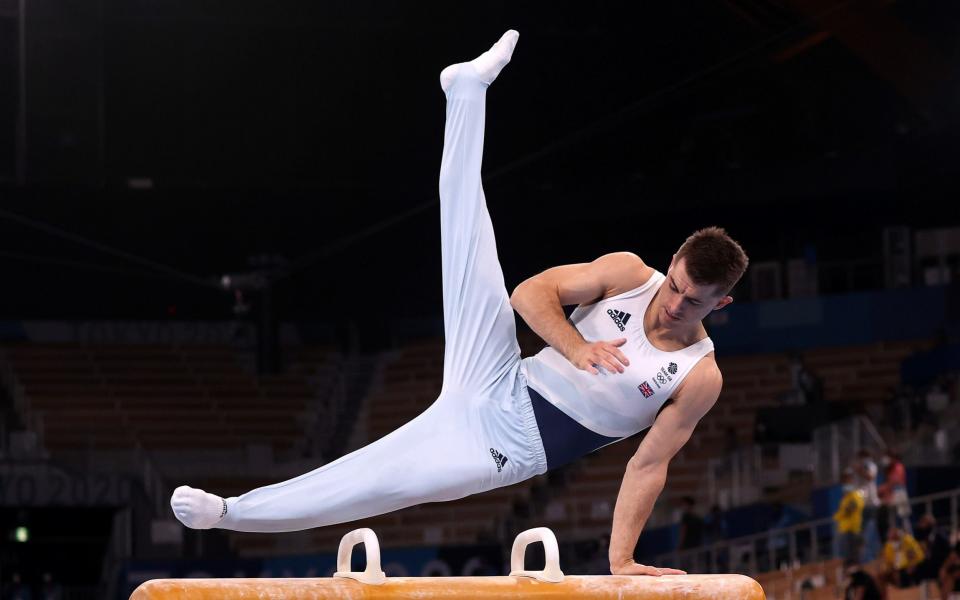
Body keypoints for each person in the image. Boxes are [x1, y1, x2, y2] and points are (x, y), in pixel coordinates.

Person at [169, 30, 749, 576]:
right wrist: (577, 348)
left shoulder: (698, 377)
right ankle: (467, 90)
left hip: (504, 445)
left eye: (694, 302)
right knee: (468, 236)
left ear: (720, 304)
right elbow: (530, 294)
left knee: (377, 482)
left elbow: (648, 465)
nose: (673, 304)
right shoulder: (628, 274)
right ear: (671, 263)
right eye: (674, 285)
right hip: (497, 373)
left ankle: (231, 512)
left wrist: (619, 561)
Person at [852, 449, 880, 560]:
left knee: (870, 530)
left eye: (862, 457)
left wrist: (860, 469)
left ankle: (871, 556)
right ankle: (865, 556)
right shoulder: (857, 469)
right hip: (861, 503)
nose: (861, 460)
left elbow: (870, 477)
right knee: (862, 532)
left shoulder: (871, 466)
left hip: (871, 503)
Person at [833, 469, 865, 562]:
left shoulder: (856, 494)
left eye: (848, 479)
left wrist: (846, 511)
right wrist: (837, 517)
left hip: (853, 528)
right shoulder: (845, 497)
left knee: (854, 555)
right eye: (845, 479)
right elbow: (842, 511)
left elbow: (856, 505)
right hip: (844, 529)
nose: (846, 481)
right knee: (846, 556)